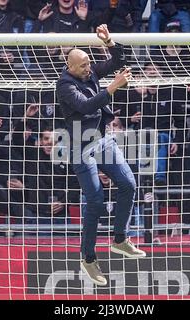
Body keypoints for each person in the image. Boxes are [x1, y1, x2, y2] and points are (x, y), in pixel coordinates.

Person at [56, 24, 145, 286]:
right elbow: (85, 106)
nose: (88, 68)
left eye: (88, 63)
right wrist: (113, 87)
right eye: (83, 65)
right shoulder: (64, 85)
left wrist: (109, 40)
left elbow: (118, 59)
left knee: (128, 183)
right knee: (95, 201)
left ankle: (120, 240)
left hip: (103, 140)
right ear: (70, 67)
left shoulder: (89, 70)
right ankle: (88, 258)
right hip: (81, 147)